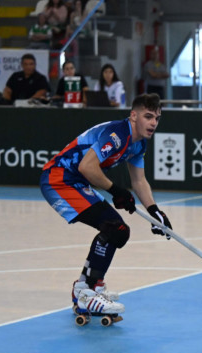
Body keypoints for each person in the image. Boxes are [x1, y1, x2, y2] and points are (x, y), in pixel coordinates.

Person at [38, 94, 172, 319]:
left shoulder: (139, 143)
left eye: (157, 118)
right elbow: (87, 167)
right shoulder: (118, 134)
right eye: (148, 116)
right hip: (59, 180)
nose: (153, 123)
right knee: (114, 227)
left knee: (118, 232)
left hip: (75, 182)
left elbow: (139, 180)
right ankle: (88, 292)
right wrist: (116, 192)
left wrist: (154, 211)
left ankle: (87, 287)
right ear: (133, 115)